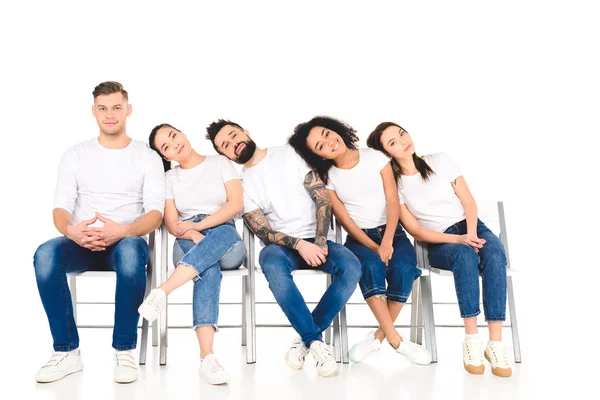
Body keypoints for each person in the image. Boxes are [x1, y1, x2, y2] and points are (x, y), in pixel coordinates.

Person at [206, 119, 362, 377]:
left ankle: (305, 340)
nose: (234, 143)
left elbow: (322, 198)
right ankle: (314, 340)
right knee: (269, 260)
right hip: (285, 248)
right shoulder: (241, 186)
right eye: (226, 145)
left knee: (352, 266)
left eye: (234, 135)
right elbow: (263, 232)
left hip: (319, 240)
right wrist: (299, 245)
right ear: (224, 155)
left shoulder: (291, 153)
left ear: (246, 131)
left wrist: (319, 241)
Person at [33, 81, 165, 383]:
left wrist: (122, 231)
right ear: (94, 111)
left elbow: (155, 213)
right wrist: (72, 231)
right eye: (103, 108)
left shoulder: (147, 156)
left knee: (132, 253)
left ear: (128, 110)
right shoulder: (75, 154)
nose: (110, 114)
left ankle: (124, 350)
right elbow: (60, 207)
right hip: (82, 242)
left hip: (125, 244)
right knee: (44, 256)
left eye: (116, 107)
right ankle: (67, 352)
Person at [367, 122, 512, 377]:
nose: (403, 141)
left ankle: (496, 343)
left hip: (471, 227)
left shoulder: (441, 160)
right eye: (393, 142)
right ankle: (471, 340)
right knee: (465, 255)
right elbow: (416, 231)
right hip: (438, 241)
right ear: (387, 153)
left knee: (496, 254)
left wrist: (470, 233)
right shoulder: (395, 183)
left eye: (402, 133)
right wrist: (459, 241)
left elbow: (468, 202)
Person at [288, 116, 432, 365]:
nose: (329, 142)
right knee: (371, 268)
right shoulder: (329, 177)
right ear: (319, 156)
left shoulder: (376, 157)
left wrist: (387, 242)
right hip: (359, 239)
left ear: (335, 129)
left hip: (393, 233)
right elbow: (346, 222)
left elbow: (392, 200)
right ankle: (397, 341)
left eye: (326, 133)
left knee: (404, 269)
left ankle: (378, 338)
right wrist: (374, 247)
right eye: (320, 146)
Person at [139, 123, 246, 385]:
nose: (174, 144)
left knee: (224, 235)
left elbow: (235, 205)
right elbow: (174, 225)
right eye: (166, 146)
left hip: (225, 236)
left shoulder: (220, 162)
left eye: (174, 136)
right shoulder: (169, 179)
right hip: (187, 239)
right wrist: (194, 234)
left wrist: (200, 227)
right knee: (206, 270)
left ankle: (162, 291)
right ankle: (207, 358)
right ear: (166, 157)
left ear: (183, 133)